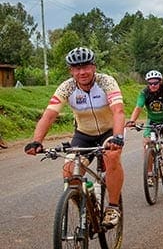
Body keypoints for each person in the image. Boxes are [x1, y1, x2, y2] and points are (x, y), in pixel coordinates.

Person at [24, 46, 127, 228]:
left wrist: (117, 137)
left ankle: (112, 207)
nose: (82, 72)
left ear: (94, 67)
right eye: (77, 68)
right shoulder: (67, 87)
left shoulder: (106, 82)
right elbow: (49, 115)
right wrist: (37, 141)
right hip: (84, 134)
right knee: (69, 171)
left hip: (109, 131)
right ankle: (85, 207)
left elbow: (118, 111)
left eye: (86, 67)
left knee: (112, 157)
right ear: (71, 70)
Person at [126, 70, 163, 184]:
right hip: (152, 121)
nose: (153, 85)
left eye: (155, 83)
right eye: (150, 83)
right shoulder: (144, 93)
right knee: (147, 144)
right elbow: (138, 107)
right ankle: (150, 174)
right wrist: (132, 121)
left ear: (160, 82)